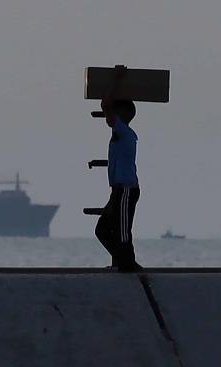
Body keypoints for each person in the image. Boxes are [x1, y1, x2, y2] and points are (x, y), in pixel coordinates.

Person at [95, 66, 142, 272]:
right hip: (118, 190)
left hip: (126, 189)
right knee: (103, 230)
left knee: (123, 232)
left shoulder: (124, 131)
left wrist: (116, 78)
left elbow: (105, 104)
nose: (108, 115)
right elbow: (107, 106)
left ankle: (127, 265)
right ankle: (123, 262)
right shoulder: (122, 132)